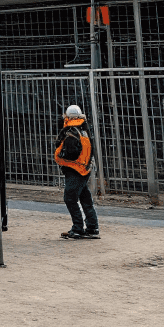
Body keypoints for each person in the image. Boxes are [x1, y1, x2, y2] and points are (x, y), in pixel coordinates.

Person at [54, 103, 100, 240]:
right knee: (85, 198)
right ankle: (92, 227)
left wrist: (61, 155)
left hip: (74, 170)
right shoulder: (83, 129)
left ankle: (78, 228)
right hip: (84, 169)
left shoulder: (70, 131)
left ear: (67, 116)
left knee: (70, 199)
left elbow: (70, 152)